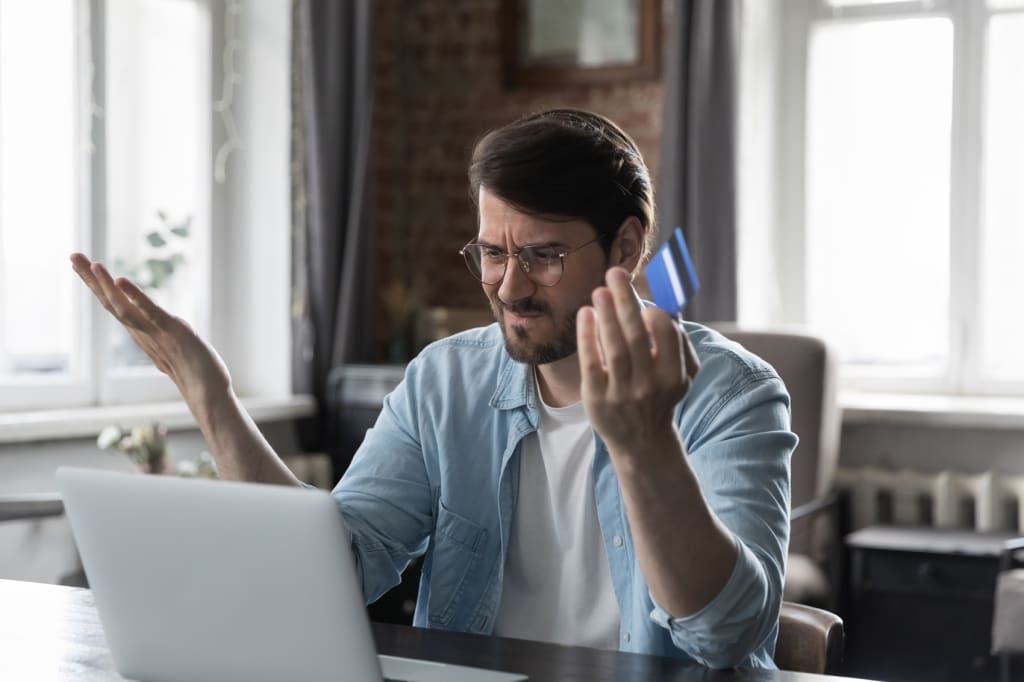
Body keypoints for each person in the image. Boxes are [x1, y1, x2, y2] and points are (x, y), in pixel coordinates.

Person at [70, 108, 795, 668]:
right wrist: (209, 394)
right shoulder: (446, 381)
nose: (508, 285)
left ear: (628, 249)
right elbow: (337, 570)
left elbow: (725, 635)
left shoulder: (732, 395)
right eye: (490, 251)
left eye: (541, 255)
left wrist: (643, 445)